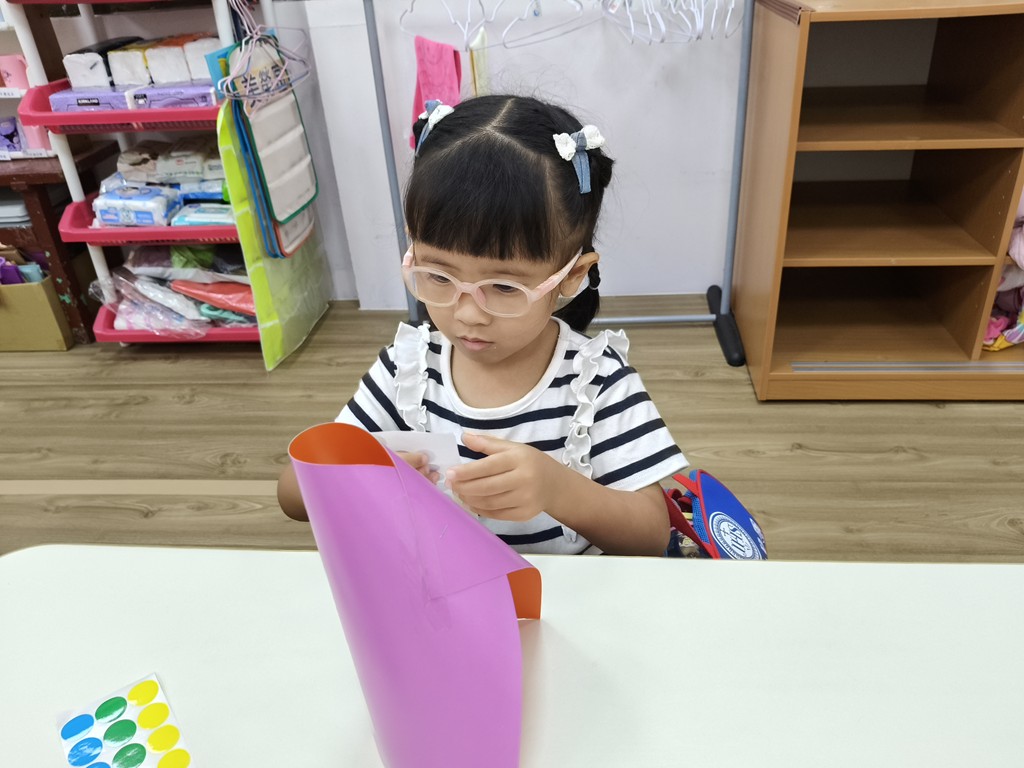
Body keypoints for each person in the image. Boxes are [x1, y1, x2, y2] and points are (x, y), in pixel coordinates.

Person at [278, 94, 688, 556]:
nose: (468, 313)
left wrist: (558, 489)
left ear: (571, 276)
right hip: (444, 590)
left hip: (566, 594)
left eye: (504, 287)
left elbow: (652, 535)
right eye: (438, 277)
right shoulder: (407, 371)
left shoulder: (596, 382)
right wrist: (361, 478)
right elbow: (292, 494)